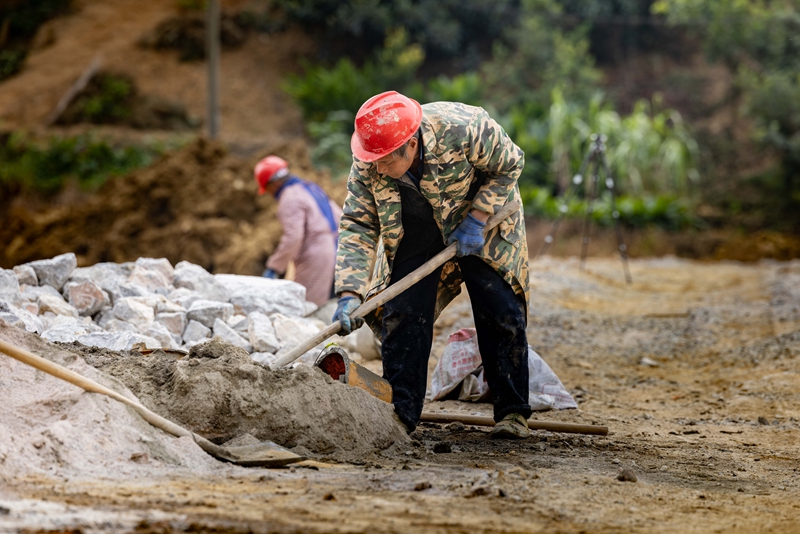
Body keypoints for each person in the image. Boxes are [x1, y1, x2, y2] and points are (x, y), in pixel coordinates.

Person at [332, 91, 532, 439]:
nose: (376, 168)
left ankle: (512, 413)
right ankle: (401, 414)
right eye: (372, 160)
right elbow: (359, 223)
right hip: (415, 226)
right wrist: (350, 291)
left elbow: (510, 163)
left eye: (384, 161)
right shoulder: (370, 155)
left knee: (499, 309)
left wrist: (478, 216)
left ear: (410, 145)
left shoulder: (466, 127)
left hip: (480, 220)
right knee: (403, 313)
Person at [254, 156, 342, 307]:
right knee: (332, 304)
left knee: (308, 308)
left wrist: (274, 268)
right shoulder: (311, 187)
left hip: (317, 255)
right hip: (339, 251)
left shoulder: (289, 198)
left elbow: (293, 238)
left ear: (274, 184)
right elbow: (340, 217)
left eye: (267, 189)